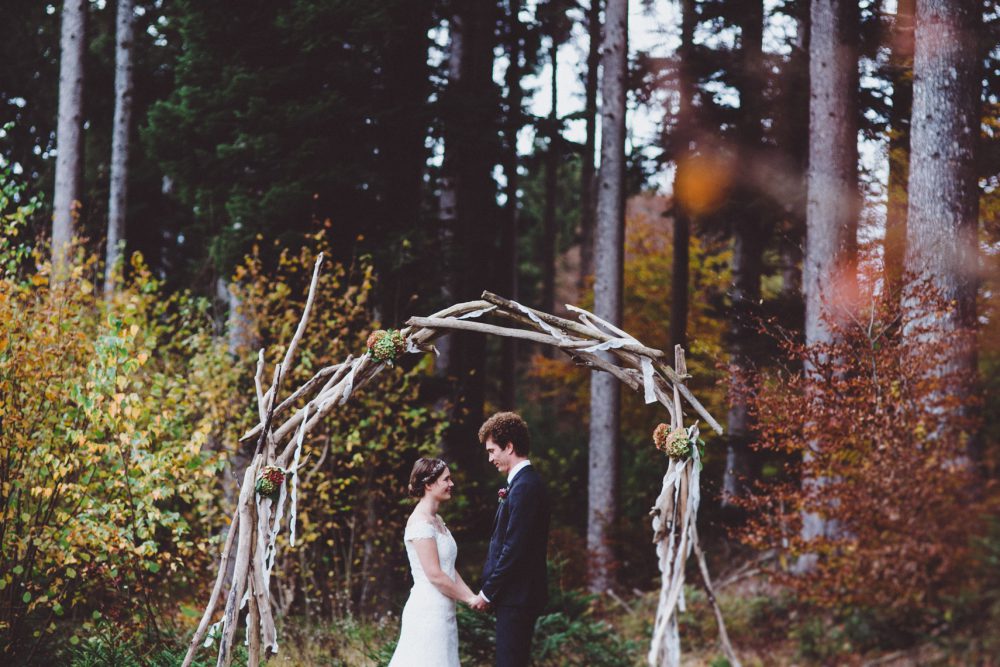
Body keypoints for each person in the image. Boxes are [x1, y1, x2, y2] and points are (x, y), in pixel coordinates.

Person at [469, 412, 551, 667]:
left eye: (493, 450)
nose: (491, 458)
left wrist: (488, 593)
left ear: (510, 447)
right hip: (515, 596)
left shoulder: (526, 487)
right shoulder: (522, 485)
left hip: (518, 596)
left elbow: (515, 548)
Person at [388, 457, 480, 667]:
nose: (451, 484)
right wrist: (468, 599)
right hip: (428, 612)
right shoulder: (419, 522)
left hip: (445, 610)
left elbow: (449, 569)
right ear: (429, 484)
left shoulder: (437, 521)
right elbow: (435, 575)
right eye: (446, 479)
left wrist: (472, 596)